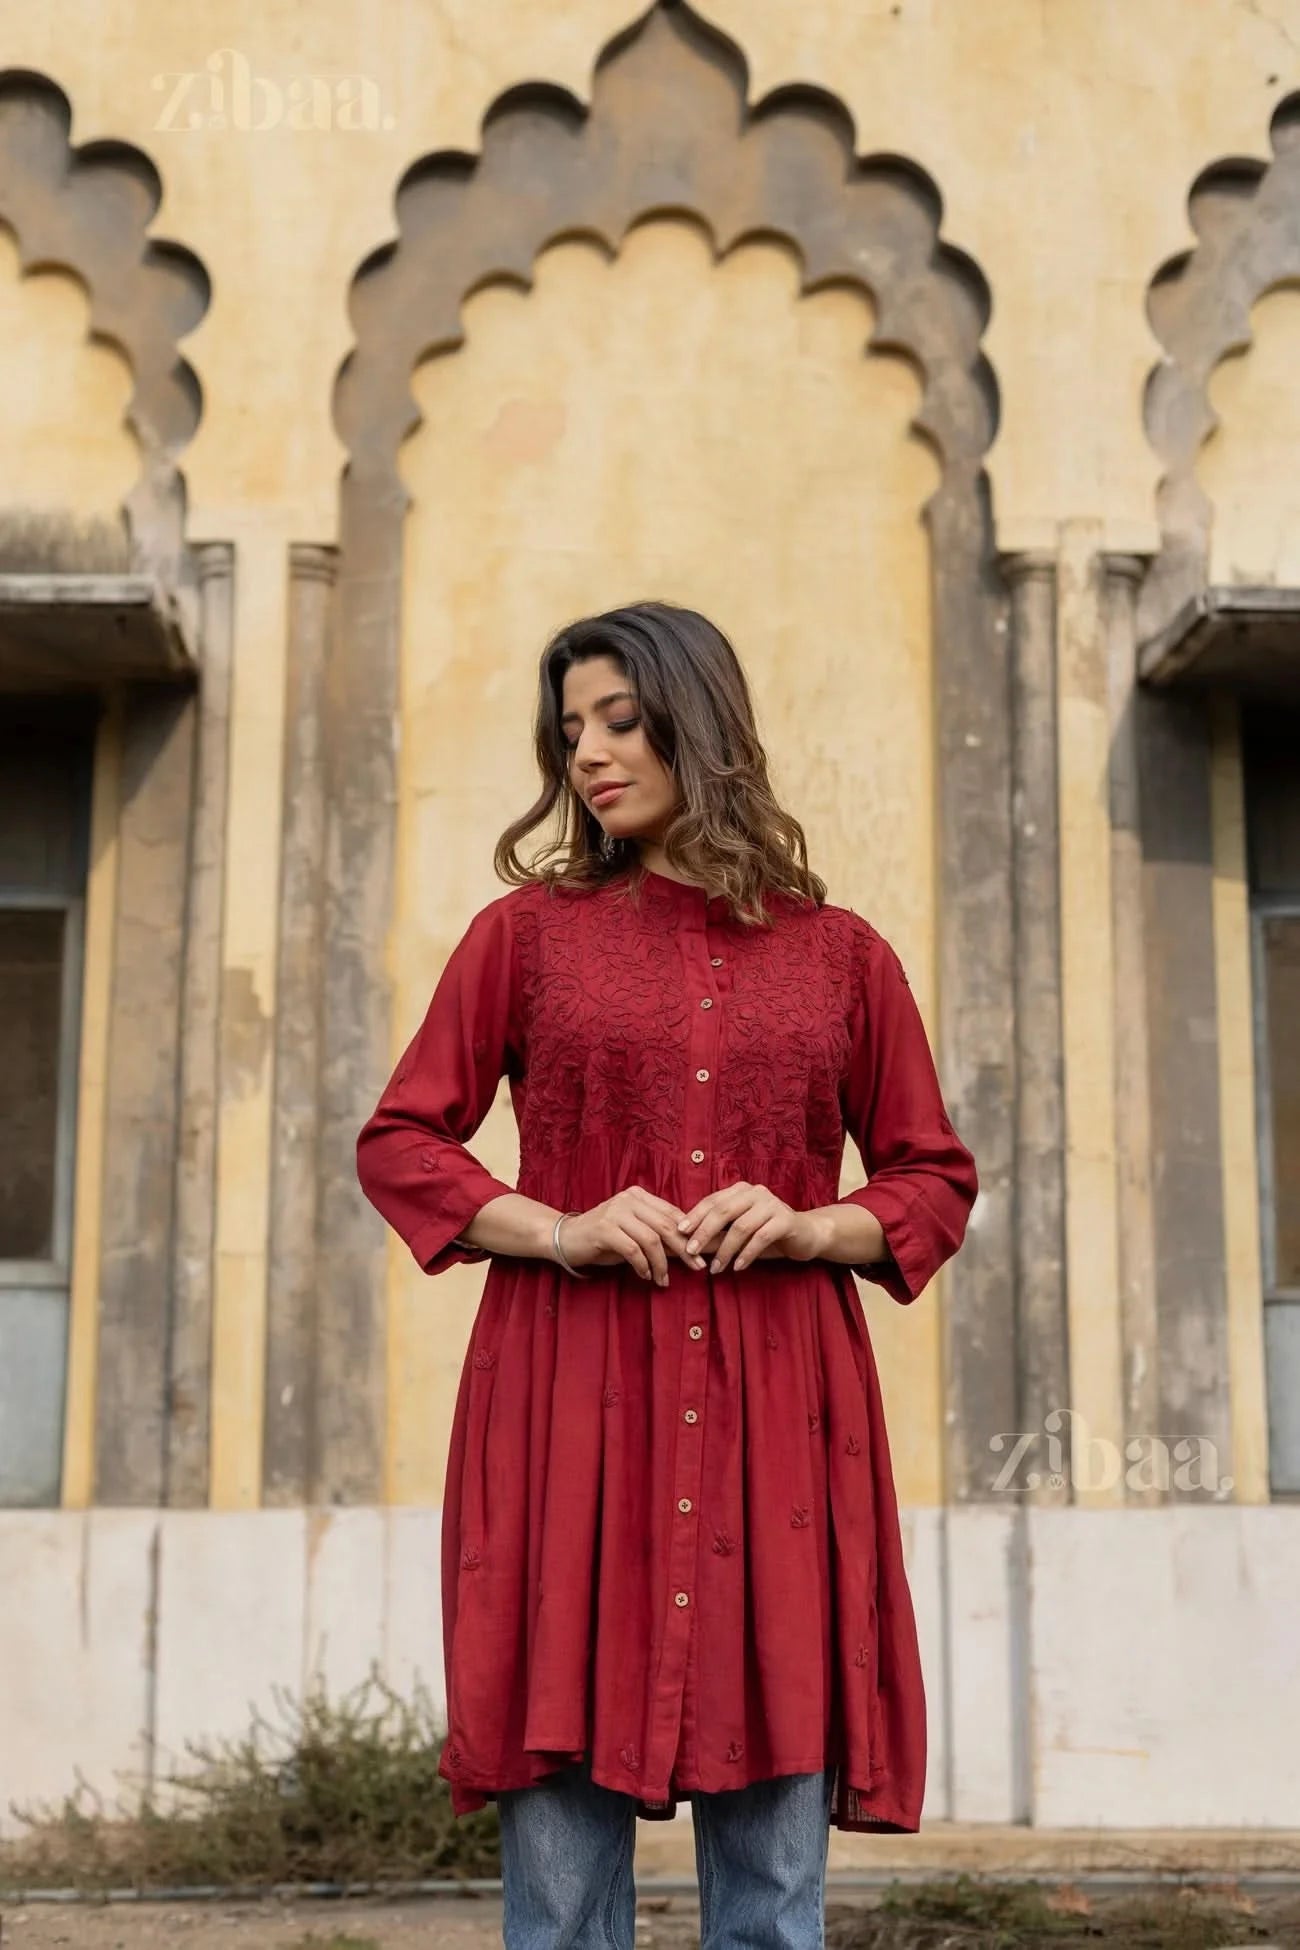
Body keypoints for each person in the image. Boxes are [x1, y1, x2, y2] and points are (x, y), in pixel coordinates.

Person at [356, 600, 978, 1950]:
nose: (587, 753)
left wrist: (816, 1224)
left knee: (769, 1904)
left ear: (699, 722)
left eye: (619, 721)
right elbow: (402, 1141)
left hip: (776, 1445)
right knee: (566, 1905)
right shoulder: (520, 939)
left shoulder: (844, 957)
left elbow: (934, 1180)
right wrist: (559, 1225)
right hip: (571, 1424)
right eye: (569, 727)